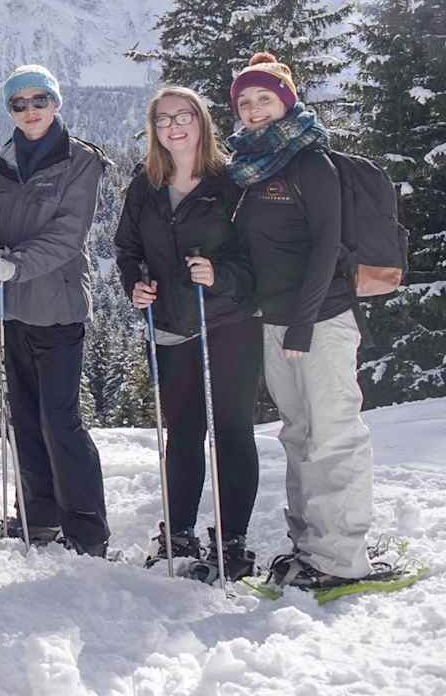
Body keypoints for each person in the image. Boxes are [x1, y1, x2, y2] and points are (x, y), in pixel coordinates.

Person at [227, 52, 373, 588]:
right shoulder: (250, 166)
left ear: (286, 100)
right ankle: (309, 546)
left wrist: (304, 323)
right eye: (245, 102)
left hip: (320, 321)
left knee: (333, 435)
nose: (255, 109)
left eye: (264, 98)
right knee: (298, 434)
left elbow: (326, 246)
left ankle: (342, 562)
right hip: (275, 322)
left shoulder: (311, 161)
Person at [114, 86, 261, 580]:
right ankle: (178, 534)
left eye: (184, 117)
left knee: (234, 430)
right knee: (183, 434)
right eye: (163, 120)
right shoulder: (146, 184)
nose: (174, 127)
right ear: (154, 130)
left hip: (228, 322)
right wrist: (135, 285)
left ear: (202, 122)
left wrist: (220, 275)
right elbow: (127, 247)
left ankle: (233, 540)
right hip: (173, 326)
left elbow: (255, 256)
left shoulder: (230, 182)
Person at [0, 64, 111, 556]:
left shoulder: (80, 161)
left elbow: (69, 235)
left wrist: (14, 264)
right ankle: (40, 516)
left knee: (60, 418)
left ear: (56, 104)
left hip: (58, 306)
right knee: (25, 417)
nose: (29, 111)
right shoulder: (1, 164)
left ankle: (87, 528)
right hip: (11, 311)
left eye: (38, 101)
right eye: (19, 103)